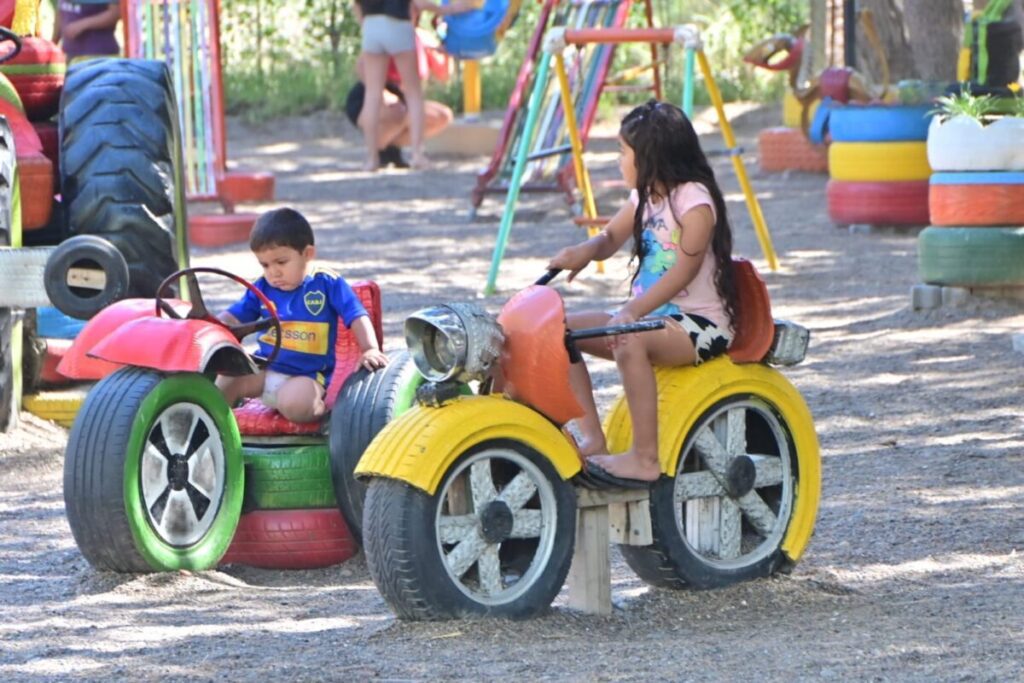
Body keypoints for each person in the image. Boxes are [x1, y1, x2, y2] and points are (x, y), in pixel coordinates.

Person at [547, 100, 739, 488]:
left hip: (699, 324)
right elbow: (609, 237)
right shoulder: (644, 197)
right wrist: (583, 251)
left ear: (651, 157)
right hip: (654, 318)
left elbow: (684, 270)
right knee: (559, 332)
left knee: (628, 339)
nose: (618, 161)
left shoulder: (694, 202)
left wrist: (632, 311)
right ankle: (593, 438)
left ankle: (645, 458)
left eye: (623, 152)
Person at [217, 208, 389, 423]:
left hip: (306, 376)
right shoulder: (262, 287)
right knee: (225, 381)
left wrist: (370, 348)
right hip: (265, 369)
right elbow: (234, 316)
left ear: (307, 254)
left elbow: (356, 314)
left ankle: (325, 417)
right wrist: (213, 324)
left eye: (281, 262)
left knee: (295, 405)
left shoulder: (326, 282)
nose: (273, 272)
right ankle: (212, 429)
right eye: (265, 265)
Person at [353, 0, 474, 171]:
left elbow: (356, 6)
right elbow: (419, 3)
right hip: (398, 23)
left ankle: (372, 159)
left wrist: (366, 24)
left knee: (372, 94)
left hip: (371, 26)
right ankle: (417, 155)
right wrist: (449, 9)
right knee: (413, 94)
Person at [344, 55, 455, 169]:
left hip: (401, 97)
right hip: (368, 94)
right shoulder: (393, 43)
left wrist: (447, 53)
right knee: (399, 111)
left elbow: (444, 75)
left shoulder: (426, 46)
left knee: (442, 116)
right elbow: (361, 65)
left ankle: (388, 145)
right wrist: (382, 93)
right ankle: (376, 147)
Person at [53, 1, 121, 63]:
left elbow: (115, 13)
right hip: (69, 53)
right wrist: (53, 43)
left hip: (98, 55)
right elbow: (60, 12)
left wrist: (82, 25)